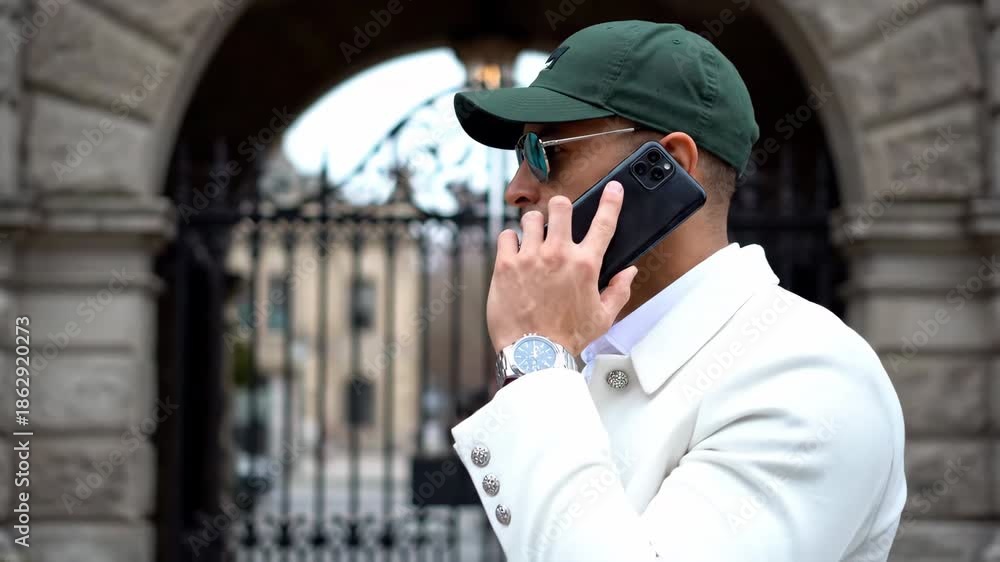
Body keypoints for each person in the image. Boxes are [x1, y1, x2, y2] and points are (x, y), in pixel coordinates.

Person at [449, 20, 907, 562]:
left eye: (544, 151)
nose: (516, 188)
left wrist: (537, 360)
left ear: (670, 166)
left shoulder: (809, 374)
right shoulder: (587, 359)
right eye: (518, 155)